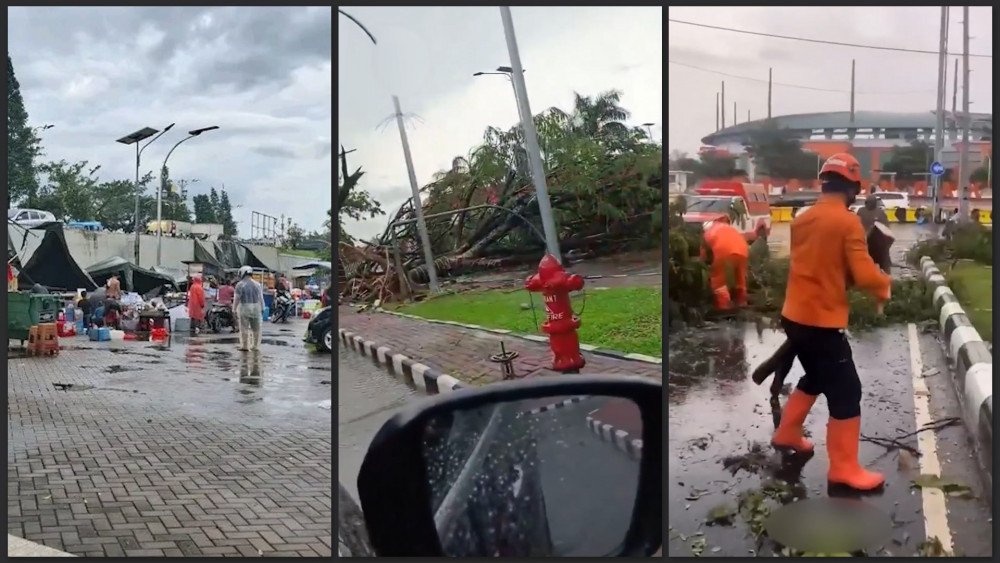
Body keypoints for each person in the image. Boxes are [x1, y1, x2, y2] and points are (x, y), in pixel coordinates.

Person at [764, 153, 891, 492]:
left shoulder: (802, 219)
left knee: (818, 376)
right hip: (821, 321)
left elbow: (820, 265)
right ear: (852, 188)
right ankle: (844, 469)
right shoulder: (847, 222)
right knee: (847, 390)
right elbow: (863, 275)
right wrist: (884, 284)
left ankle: (787, 433)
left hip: (794, 316)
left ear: (824, 184)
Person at [702, 219, 749, 310]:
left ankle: (723, 307)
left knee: (719, 280)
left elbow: (703, 255)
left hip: (724, 251)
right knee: (739, 278)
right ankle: (742, 303)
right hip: (743, 249)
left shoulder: (707, 234)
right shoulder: (727, 228)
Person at [233, 265, 265, 351]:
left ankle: (245, 346)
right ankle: (255, 346)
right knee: (256, 329)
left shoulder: (240, 285)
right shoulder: (257, 284)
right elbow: (261, 298)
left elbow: (236, 299)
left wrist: (234, 309)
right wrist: (263, 308)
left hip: (244, 307)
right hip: (256, 307)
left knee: (244, 328)